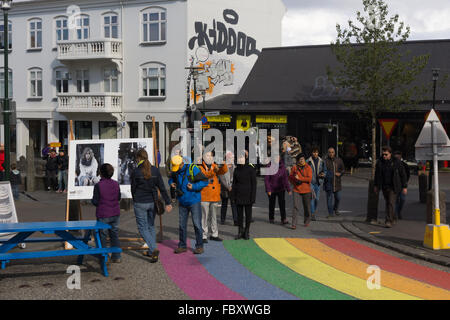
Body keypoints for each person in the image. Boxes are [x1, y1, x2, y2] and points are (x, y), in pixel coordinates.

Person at [131, 149, 172, 262]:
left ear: (138, 158)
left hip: (140, 202)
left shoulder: (136, 171)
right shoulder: (155, 170)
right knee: (150, 226)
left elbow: (133, 189)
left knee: (142, 227)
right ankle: (150, 251)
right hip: (152, 202)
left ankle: (153, 249)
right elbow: (162, 188)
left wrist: (135, 200)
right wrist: (168, 202)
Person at [169, 155, 208, 254]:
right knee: (182, 225)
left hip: (194, 201)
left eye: (178, 167)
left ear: (182, 163)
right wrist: (171, 183)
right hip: (182, 201)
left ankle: (199, 246)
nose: (176, 170)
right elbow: (171, 178)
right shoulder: (176, 169)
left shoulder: (193, 168)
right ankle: (182, 246)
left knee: (197, 224)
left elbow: (205, 181)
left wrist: (194, 186)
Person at [91, 163, 122, 263]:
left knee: (102, 235)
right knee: (114, 234)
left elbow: (95, 201)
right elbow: (118, 197)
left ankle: (104, 256)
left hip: (103, 213)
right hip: (115, 213)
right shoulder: (116, 184)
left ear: (101, 173)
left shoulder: (98, 185)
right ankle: (117, 256)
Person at [373, 146, 408, 228]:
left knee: (391, 203)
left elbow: (403, 174)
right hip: (385, 186)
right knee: (388, 202)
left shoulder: (396, 162)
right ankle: (394, 217)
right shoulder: (380, 162)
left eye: (386, 154)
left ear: (390, 154)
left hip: (394, 186)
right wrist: (376, 185)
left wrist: (404, 186)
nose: (384, 156)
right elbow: (377, 175)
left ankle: (388, 221)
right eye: (383, 154)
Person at [199, 151, 228, 242]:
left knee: (214, 216)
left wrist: (223, 164)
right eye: (207, 155)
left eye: (211, 155)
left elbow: (223, 171)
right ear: (203, 157)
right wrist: (213, 170)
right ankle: (203, 235)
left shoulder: (214, 165)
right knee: (204, 216)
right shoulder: (200, 166)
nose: (209, 157)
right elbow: (204, 175)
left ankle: (214, 234)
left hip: (214, 195)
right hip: (205, 195)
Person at [232, 151, 257, 240]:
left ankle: (247, 231)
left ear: (245, 158)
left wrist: (253, 197)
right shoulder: (236, 169)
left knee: (248, 215)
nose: (240, 159)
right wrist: (233, 196)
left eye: (242, 157)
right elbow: (234, 184)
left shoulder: (250, 169)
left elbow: (254, 184)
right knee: (239, 216)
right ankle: (240, 231)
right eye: (239, 158)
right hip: (238, 195)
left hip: (248, 195)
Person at [264, 154, 291, 224]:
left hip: (281, 188)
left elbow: (285, 179)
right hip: (272, 189)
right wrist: (268, 189)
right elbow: (266, 179)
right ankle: (271, 218)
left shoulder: (282, 167)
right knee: (271, 204)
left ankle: (283, 219)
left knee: (282, 204)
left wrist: (288, 189)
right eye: (275, 157)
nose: (277, 159)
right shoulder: (269, 166)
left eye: (278, 157)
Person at [289, 153, 313, 228]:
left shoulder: (308, 167)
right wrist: (294, 182)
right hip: (296, 190)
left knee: (307, 207)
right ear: (298, 160)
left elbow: (309, 178)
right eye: (300, 159)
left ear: (304, 160)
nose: (301, 160)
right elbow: (290, 177)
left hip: (306, 190)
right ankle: (294, 224)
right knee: (296, 207)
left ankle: (307, 220)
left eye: (302, 159)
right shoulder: (294, 167)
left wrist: (300, 178)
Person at [323, 147, 345, 218]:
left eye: (332, 152)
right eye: (329, 152)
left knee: (338, 198)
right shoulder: (325, 161)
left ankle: (335, 208)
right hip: (328, 183)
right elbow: (322, 171)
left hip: (337, 183)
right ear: (328, 153)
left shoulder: (339, 160)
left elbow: (343, 169)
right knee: (329, 200)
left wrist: (340, 173)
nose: (331, 153)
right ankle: (330, 213)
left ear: (334, 153)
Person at [307, 147, 327, 221]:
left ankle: (313, 211)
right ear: (311, 153)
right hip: (311, 182)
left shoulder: (321, 161)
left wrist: (323, 174)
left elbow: (325, 170)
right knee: (312, 198)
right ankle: (312, 214)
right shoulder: (308, 161)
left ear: (318, 153)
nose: (315, 154)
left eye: (316, 152)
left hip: (318, 182)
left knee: (317, 199)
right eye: (314, 152)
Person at [219, 151, 238, 226]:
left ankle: (235, 220)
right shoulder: (222, 166)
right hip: (224, 188)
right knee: (224, 204)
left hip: (233, 188)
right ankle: (222, 219)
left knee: (234, 204)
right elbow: (221, 178)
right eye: (231, 158)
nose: (232, 159)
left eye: (233, 158)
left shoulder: (235, 167)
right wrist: (228, 187)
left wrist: (233, 186)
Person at [393, 150, 410, 220]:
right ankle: (396, 214)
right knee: (396, 200)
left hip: (402, 185)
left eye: (398, 155)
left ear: (400, 157)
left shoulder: (404, 165)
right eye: (396, 155)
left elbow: (407, 175)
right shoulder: (392, 164)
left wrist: (405, 185)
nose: (397, 157)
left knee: (402, 199)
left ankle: (398, 211)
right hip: (395, 185)